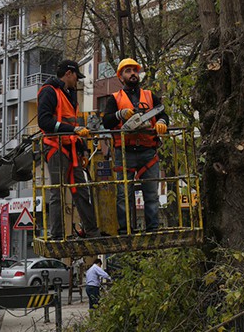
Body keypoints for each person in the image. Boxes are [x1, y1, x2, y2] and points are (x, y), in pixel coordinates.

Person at [103, 58, 169, 234]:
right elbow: (106, 121)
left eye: (135, 70)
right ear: (121, 76)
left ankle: (153, 228)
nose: (133, 73)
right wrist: (120, 114)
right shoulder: (115, 98)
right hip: (124, 152)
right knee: (123, 194)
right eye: (128, 71)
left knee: (151, 194)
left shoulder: (149, 95)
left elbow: (163, 113)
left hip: (148, 151)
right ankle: (125, 229)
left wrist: (162, 122)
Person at [38, 59, 100, 240]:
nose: (77, 81)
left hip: (71, 147)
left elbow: (72, 124)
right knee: (58, 191)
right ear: (69, 74)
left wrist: (83, 149)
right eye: (76, 77)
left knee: (81, 190)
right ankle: (56, 235)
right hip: (55, 147)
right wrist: (73, 130)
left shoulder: (69, 94)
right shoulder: (49, 92)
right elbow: (44, 122)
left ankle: (92, 231)